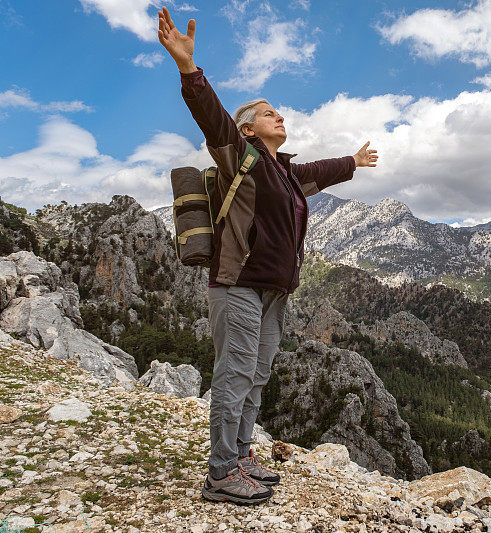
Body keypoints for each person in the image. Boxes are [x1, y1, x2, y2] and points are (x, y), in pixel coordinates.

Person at [157, 6, 378, 505]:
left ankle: (239, 456)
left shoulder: (284, 173)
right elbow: (212, 119)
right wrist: (189, 70)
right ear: (251, 130)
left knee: (256, 375)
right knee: (234, 373)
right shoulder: (244, 156)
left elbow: (320, 171)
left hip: (274, 290)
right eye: (269, 113)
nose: (280, 116)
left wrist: (355, 163)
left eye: (278, 112)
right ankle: (219, 473)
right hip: (237, 283)